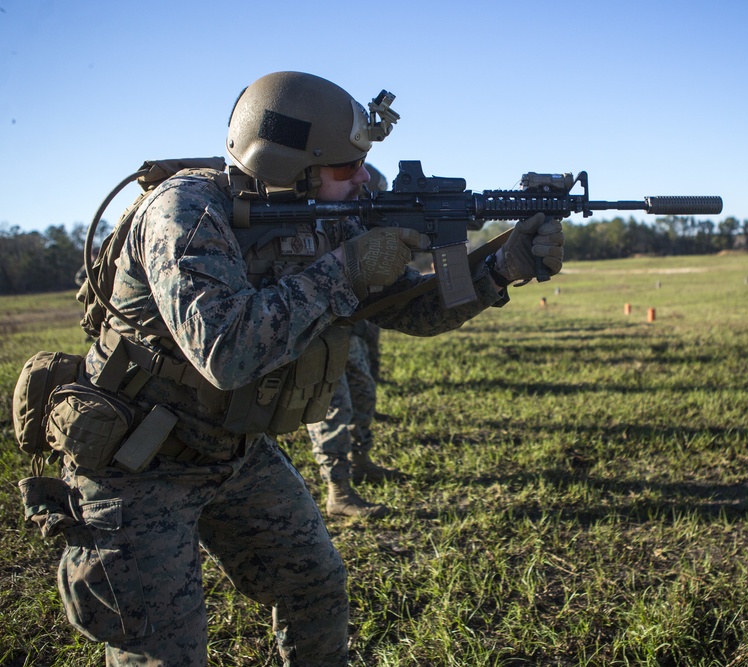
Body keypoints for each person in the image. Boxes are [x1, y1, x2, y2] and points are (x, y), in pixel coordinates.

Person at [36, 70, 563, 666]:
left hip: (233, 448)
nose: (362, 178)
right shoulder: (185, 211)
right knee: (163, 646)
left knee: (315, 585)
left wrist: (500, 268)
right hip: (137, 459)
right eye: (347, 167)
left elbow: (407, 309)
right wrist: (346, 269)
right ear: (289, 167)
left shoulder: (323, 215)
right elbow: (227, 352)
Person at [307, 164, 403, 518]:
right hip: (316, 331)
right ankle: (338, 491)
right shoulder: (307, 216)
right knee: (333, 407)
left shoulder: (348, 219)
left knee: (364, 390)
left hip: (346, 326)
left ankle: (361, 459)